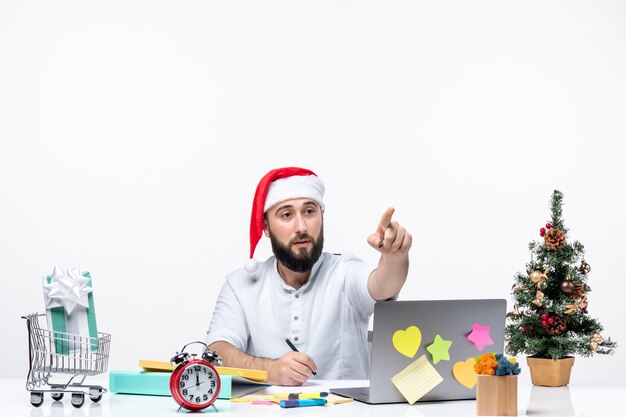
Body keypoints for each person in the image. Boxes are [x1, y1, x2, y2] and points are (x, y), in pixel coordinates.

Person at [205, 167, 412, 386]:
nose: (301, 227)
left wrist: (395, 257)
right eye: (286, 215)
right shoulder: (240, 285)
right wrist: (270, 370)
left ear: (322, 216)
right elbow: (215, 353)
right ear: (266, 227)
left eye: (309, 212)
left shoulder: (345, 271)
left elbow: (383, 285)